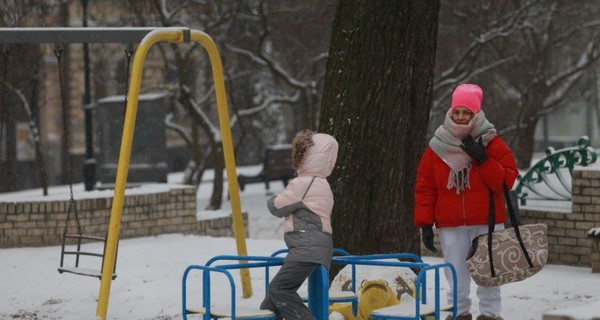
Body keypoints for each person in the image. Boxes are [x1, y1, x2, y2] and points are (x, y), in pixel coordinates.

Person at [414, 84, 518, 320]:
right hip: (451, 223)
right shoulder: (437, 145)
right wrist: (424, 222)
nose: (461, 117)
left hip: (488, 221)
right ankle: (459, 313)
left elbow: (506, 182)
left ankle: (490, 315)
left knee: (489, 271)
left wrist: (483, 159)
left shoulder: (492, 143)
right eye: (457, 112)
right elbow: (425, 186)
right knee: (456, 273)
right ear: (451, 112)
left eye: (467, 112)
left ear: (476, 113)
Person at [260, 129, 339, 320]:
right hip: (317, 248)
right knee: (270, 301)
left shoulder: (302, 184)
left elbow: (276, 207)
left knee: (279, 289)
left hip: (306, 249)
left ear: (305, 156)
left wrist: (273, 198)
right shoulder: (322, 183)